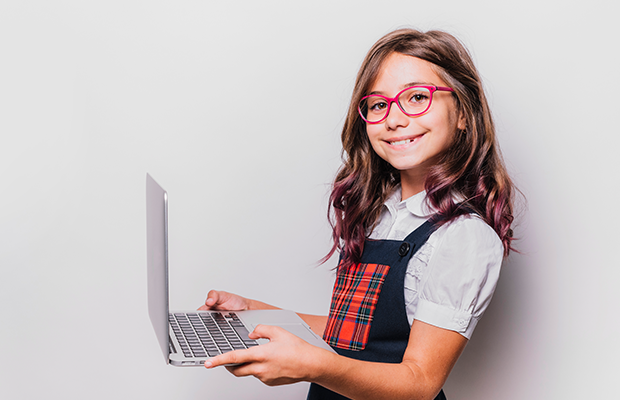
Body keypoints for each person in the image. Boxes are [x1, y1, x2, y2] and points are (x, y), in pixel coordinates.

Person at [199, 28, 516, 400]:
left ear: (463, 113)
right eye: (379, 104)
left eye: (417, 97)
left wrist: (311, 366)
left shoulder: (464, 237)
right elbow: (352, 334)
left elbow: (420, 382)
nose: (393, 119)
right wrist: (253, 312)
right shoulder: (380, 214)